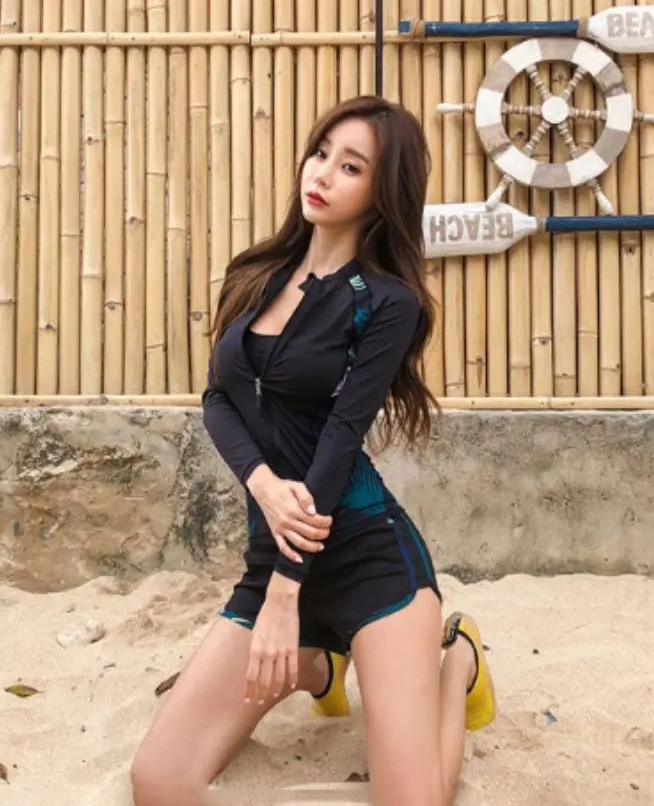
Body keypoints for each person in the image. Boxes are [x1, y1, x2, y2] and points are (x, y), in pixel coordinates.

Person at [130, 95, 496, 806]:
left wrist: (285, 593)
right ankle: (320, 666)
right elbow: (218, 396)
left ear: (382, 192)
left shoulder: (386, 303)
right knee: (159, 782)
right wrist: (264, 484)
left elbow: (339, 437)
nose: (322, 173)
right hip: (275, 545)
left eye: (350, 166)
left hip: (365, 559)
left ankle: (455, 661)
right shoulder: (257, 272)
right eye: (320, 153)